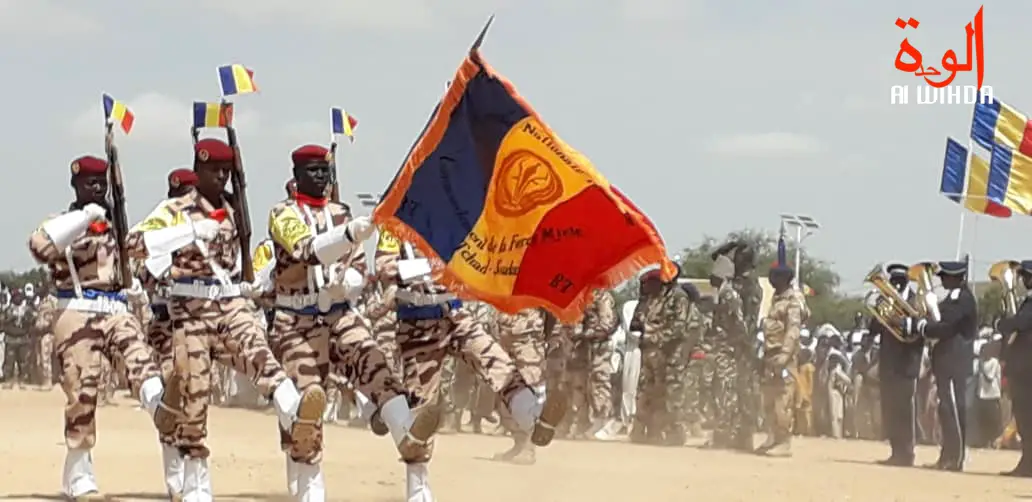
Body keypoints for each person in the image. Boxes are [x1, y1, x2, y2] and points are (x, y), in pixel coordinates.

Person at [126, 138, 319, 499]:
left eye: (226, 171)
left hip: (230, 304)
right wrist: (189, 232)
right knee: (194, 394)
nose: (221, 176)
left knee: (262, 357)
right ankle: (196, 485)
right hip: (191, 310)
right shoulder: (175, 208)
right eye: (214, 170)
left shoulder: (234, 207)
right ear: (198, 171)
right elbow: (134, 242)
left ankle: (295, 412)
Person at [265, 144, 432, 500]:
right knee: (310, 405)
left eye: (325, 170)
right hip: (296, 320)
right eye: (313, 170)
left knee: (378, 369)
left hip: (340, 314)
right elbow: (307, 249)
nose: (321, 177)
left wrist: (348, 283)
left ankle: (407, 435)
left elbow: (359, 270)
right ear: (296, 176)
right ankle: (309, 491)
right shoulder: (282, 214)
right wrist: (350, 235)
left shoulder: (342, 212)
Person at [374, 235, 567, 502]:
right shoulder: (393, 226)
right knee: (421, 414)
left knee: (498, 363)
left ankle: (533, 419)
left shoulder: (454, 217)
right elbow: (384, 267)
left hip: (456, 315)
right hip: (417, 326)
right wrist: (433, 264)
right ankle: (418, 494)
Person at [28, 155, 177, 499]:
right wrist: (83, 218)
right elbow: (39, 246)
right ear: (76, 186)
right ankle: (79, 475)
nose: (97, 188)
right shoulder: (60, 223)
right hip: (76, 310)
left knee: (141, 361)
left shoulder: (117, 228)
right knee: (83, 390)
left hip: (117, 309)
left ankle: (158, 406)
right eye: (89, 183)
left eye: (102, 183)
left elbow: (149, 249)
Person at [917, 259, 977, 471]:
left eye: (944, 277)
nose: (941, 280)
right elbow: (939, 318)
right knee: (946, 409)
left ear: (955, 278)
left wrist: (923, 327)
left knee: (953, 409)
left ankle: (956, 457)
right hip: (945, 361)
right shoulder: (952, 300)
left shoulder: (963, 299)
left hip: (954, 361)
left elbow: (946, 326)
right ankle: (947, 455)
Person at [869, 263, 924, 466]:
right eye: (893, 282)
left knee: (905, 408)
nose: (896, 285)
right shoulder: (885, 300)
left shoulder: (916, 301)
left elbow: (920, 333)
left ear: (907, 281)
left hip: (907, 363)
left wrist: (903, 321)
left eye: (900, 281)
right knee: (890, 408)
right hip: (888, 363)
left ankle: (907, 452)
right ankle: (896, 450)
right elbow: (873, 328)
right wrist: (882, 310)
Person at [630, 266, 691, 444]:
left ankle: (674, 433)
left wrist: (654, 335)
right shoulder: (653, 298)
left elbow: (679, 328)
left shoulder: (679, 297)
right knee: (646, 392)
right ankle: (647, 432)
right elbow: (637, 323)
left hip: (670, 355)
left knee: (670, 394)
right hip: (650, 353)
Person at [757, 264, 808, 456]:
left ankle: (784, 442)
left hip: (783, 356)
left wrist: (785, 355)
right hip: (770, 354)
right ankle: (772, 437)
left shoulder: (793, 301)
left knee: (783, 400)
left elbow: (793, 330)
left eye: (775, 277)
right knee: (768, 399)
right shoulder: (776, 299)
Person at [705, 247, 750, 449]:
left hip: (729, 351)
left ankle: (726, 436)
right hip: (721, 350)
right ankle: (723, 434)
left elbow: (739, 325)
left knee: (726, 393)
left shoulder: (729, 296)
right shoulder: (721, 294)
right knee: (720, 392)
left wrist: (740, 349)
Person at [996, 260, 1032, 476]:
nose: (1023, 280)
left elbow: (1021, 323)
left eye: (1025, 277)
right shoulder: (1026, 301)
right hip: (1022, 369)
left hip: (1028, 370)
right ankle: (1027, 463)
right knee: (1024, 420)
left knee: (1028, 418)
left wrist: (1002, 324)